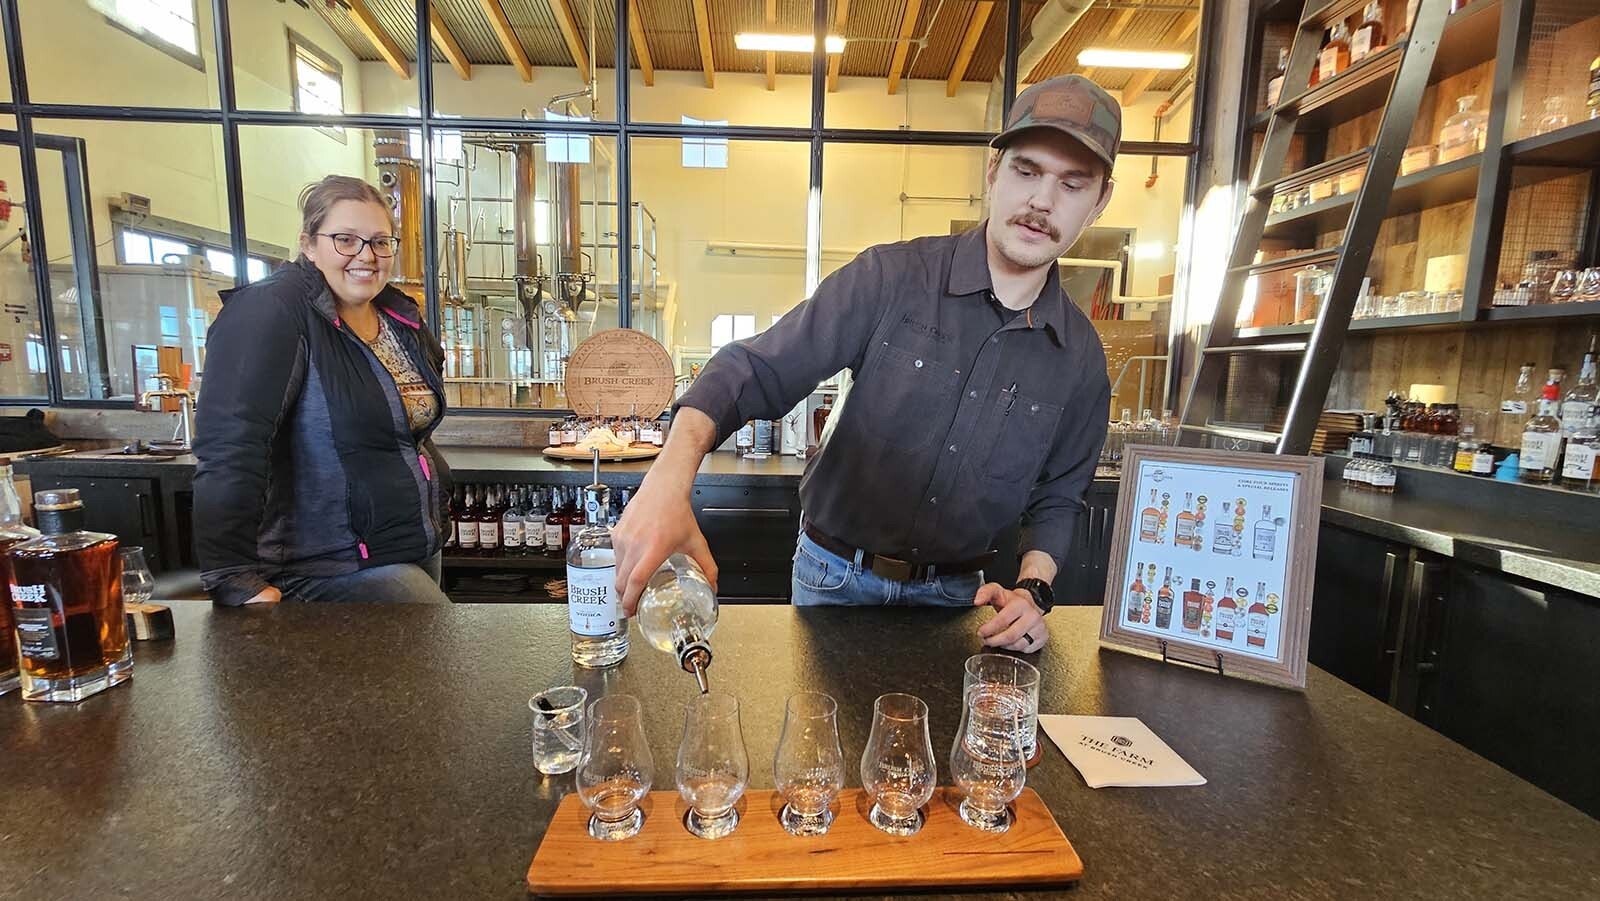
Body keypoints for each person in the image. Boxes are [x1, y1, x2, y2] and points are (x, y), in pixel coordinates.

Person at [613, 75, 1119, 651]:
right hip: (834, 578)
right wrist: (667, 480)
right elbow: (754, 369)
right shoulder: (890, 278)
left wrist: (1034, 589)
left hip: (960, 599)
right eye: (1027, 171)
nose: (1042, 201)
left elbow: (1059, 496)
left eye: (1072, 184)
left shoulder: (1080, 360)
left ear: (1099, 201)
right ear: (993, 171)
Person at [194, 175, 452, 605]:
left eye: (380, 242)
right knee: (445, 643)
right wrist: (232, 576)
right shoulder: (270, 311)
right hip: (322, 563)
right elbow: (230, 447)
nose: (366, 256)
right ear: (309, 244)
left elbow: (406, 430)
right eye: (345, 240)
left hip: (408, 541)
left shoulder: (398, 316)